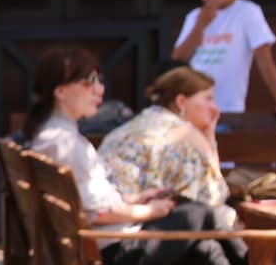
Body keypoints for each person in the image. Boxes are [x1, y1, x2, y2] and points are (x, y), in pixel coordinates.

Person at [24, 46, 245, 265]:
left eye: (99, 80)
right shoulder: (65, 143)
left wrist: (135, 200)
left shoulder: (53, 136)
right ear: (61, 91)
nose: (99, 89)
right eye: (89, 82)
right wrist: (150, 211)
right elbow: (98, 214)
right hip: (110, 251)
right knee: (204, 214)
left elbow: (91, 204)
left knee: (206, 249)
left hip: (98, 247)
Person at [171, 0, 276, 126]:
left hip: (228, 108)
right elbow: (177, 61)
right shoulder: (194, 16)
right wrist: (200, 25)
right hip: (192, 108)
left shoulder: (247, 12)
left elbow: (265, 60)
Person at [99, 65, 230, 219]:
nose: (215, 108)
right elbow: (214, 196)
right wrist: (208, 141)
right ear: (181, 102)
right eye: (208, 99)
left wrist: (209, 137)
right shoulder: (185, 135)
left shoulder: (139, 123)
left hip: (110, 220)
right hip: (138, 223)